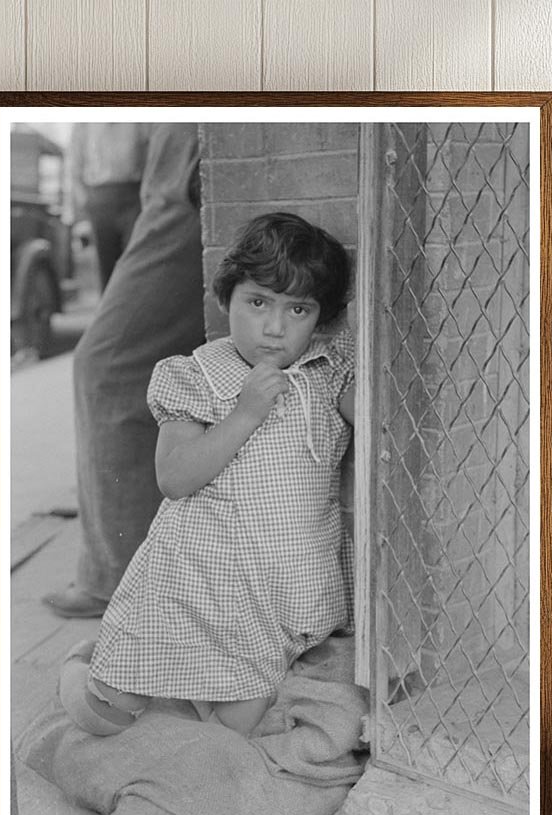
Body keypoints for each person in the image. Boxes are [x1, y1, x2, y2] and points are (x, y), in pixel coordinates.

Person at [59, 212, 355, 737]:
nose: (274, 327)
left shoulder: (328, 372)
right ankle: (94, 673)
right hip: (198, 579)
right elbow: (173, 478)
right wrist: (244, 414)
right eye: (258, 302)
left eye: (298, 309)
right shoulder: (196, 376)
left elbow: (382, 424)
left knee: (234, 726)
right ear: (227, 300)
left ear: (320, 320)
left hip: (285, 581)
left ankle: (195, 709)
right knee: (107, 716)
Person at [43, 123, 205, 619]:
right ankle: (142, 569)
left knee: (107, 366)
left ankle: (118, 577)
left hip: (182, 177)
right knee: (135, 365)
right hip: (155, 181)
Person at [68, 123, 147, 291]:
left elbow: (148, 154)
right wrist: (86, 205)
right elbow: (75, 169)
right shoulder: (84, 123)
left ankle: (135, 312)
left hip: (132, 195)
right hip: (100, 198)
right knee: (107, 265)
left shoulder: (137, 119)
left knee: (135, 258)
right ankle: (111, 314)